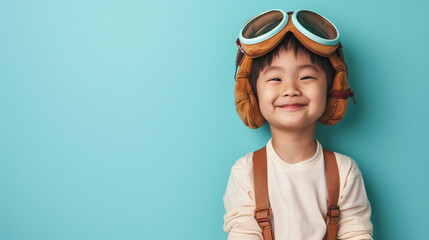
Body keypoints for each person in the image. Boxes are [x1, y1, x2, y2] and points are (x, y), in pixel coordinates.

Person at [223, 9, 373, 240]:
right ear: (252, 95)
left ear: (332, 91)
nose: (291, 89)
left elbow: (358, 233)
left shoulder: (345, 172)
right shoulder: (245, 172)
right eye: (275, 79)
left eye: (306, 77)